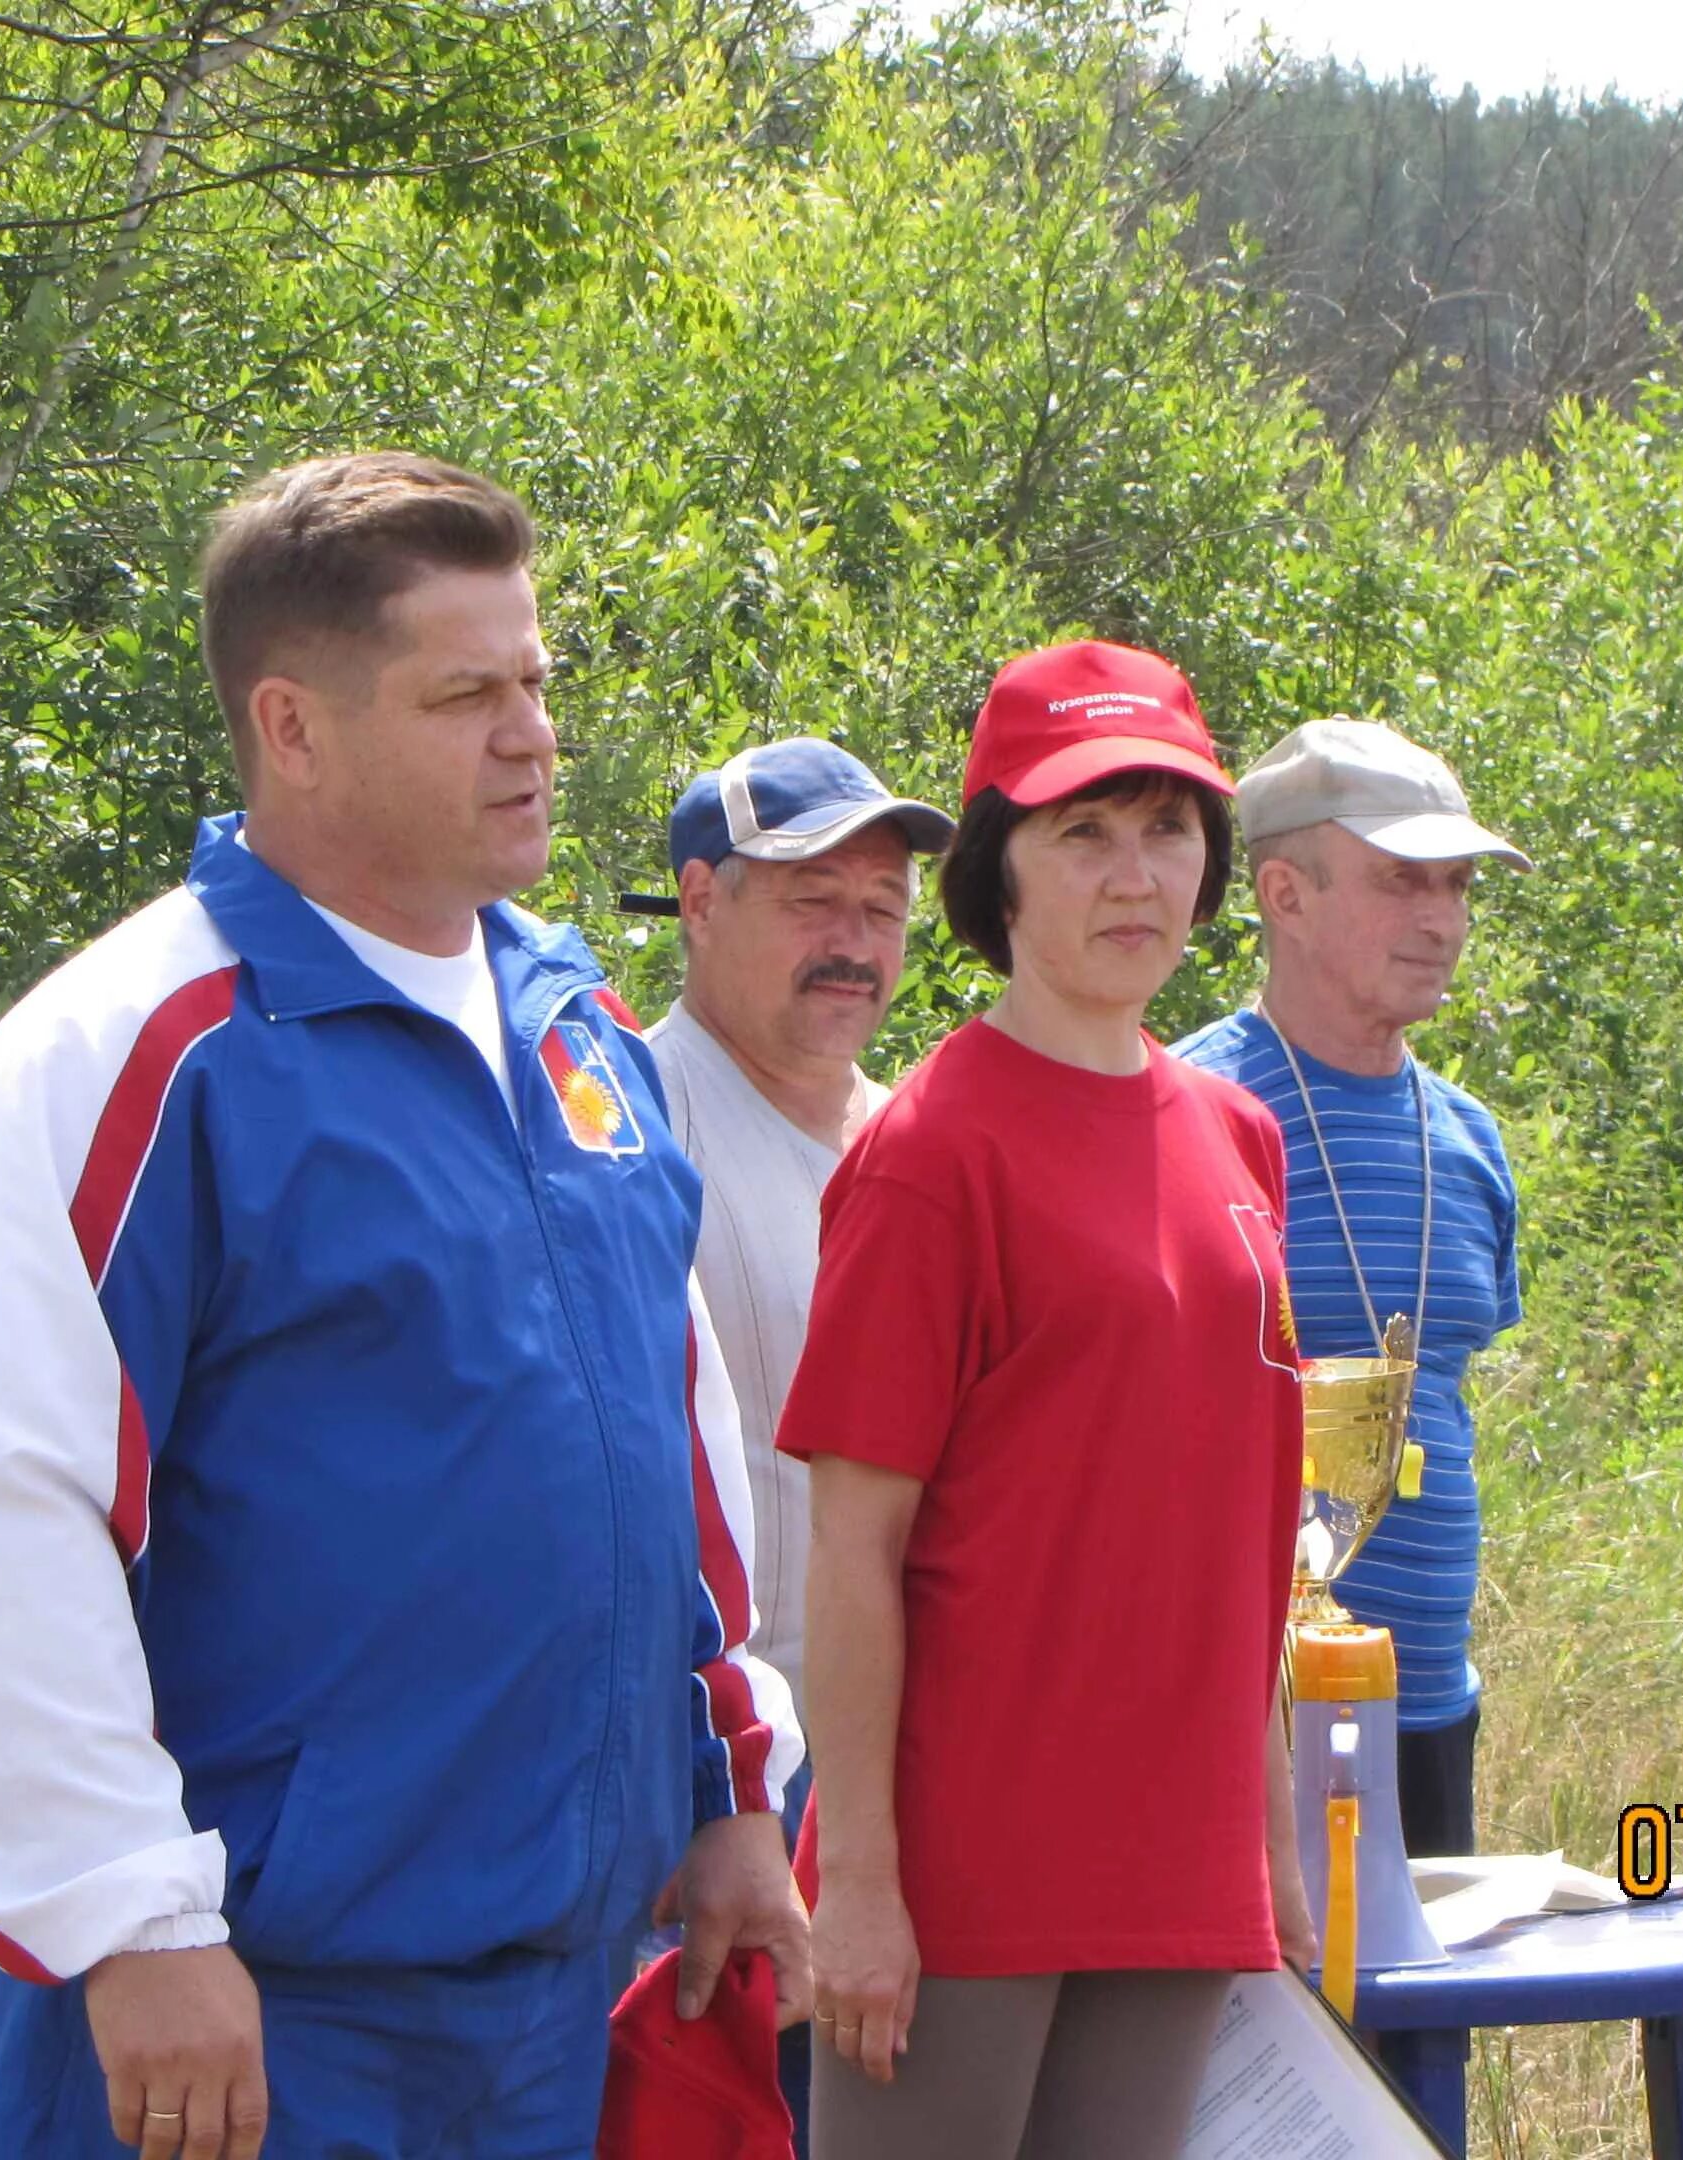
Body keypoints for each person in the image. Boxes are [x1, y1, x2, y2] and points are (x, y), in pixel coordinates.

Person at [0, 451, 805, 2160]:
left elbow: (673, 1419)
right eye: (467, 695)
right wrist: (130, 1921)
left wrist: (732, 1786)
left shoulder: (575, 1028)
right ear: (291, 727)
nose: (532, 734)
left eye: (536, 681)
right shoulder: (143, 1050)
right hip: (238, 2020)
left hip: (545, 2007)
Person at [780, 639, 1313, 2160]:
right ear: (999, 874)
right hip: (968, 1869)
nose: (1133, 874)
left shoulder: (1237, 1137)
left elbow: (1246, 1533)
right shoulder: (934, 1152)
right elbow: (853, 1552)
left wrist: (1265, 1843)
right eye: (1082, 831)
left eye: (1168, 827)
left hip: (1178, 1856)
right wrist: (863, 1886)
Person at [621, 737, 952, 2157]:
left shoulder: (918, 1139)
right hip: (725, 1784)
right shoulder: (635, 1123)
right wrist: (711, 1794)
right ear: (698, 902)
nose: (854, 942)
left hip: (908, 1775)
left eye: (881, 909)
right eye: (812, 899)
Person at [1175, 717, 1528, 1859]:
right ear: (1285, 893)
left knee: (1425, 2042)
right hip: (1229, 1724)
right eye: (1402, 882)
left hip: (1429, 1705)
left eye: (1458, 885)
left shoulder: (1469, 1141)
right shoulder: (1182, 1116)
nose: (1444, 920)